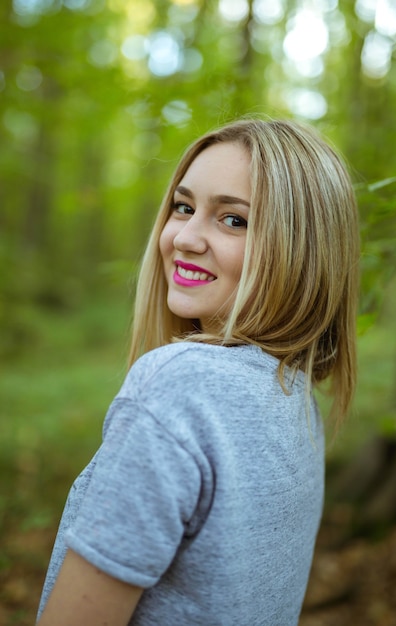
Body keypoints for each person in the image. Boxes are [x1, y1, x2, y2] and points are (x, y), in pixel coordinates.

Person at [36, 117, 360, 626]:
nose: (184, 238)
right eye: (184, 207)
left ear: (301, 250)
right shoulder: (294, 394)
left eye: (234, 220)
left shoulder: (181, 385)